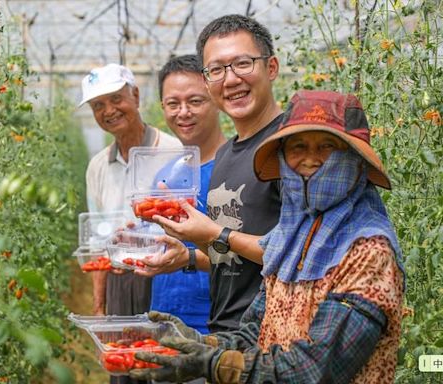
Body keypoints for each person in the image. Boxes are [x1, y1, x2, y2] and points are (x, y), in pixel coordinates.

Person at [129, 90, 405, 384]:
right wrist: (201, 344)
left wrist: (214, 364)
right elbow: (257, 329)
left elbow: (314, 369)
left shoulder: (368, 251)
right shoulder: (290, 236)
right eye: (298, 146)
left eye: (327, 146)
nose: (310, 159)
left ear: (356, 160)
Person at [148, 14, 283, 333]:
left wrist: (211, 234)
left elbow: (302, 253)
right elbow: (233, 260)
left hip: (273, 340)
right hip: (224, 336)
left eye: (243, 63)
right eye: (217, 70)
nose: (231, 79)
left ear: (271, 67)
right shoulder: (226, 156)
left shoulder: (291, 145)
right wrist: (190, 251)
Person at [80, 63, 181, 384]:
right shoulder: (97, 166)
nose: (108, 111)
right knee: (124, 370)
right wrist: (100, 309)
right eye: (98, 105)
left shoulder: (173, 152)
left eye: (116, 99)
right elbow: (98, 242)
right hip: (120, 280)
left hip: (166, 277)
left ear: (135, 96)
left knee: (166, 369)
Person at [136, 54, 226, 337]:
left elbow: (256, 258)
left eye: (195, 101)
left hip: (215, 330)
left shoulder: (237, 168)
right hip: (165, 321)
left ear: (216, 99)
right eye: (173, 104)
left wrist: (189, 257)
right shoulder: (167, 174)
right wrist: (135, 240)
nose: (183, 112)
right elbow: (161, 243)